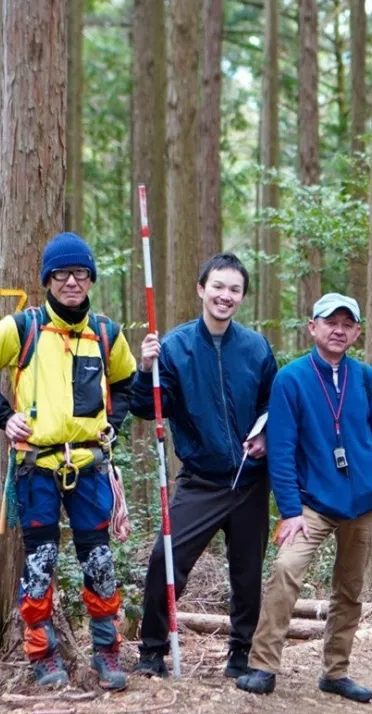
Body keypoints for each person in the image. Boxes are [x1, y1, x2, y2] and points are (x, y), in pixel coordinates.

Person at [0, 232, 137, 690]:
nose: (71, 282)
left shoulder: (106, 333)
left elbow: (127, 383)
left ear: (91, 279)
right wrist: (4, 418)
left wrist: (113, 424)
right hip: (35, 466)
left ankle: (107, 653)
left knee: (99, 560)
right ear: (47, 280)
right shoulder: (23, 328)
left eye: (79, 273)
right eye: (61, 274)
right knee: (40, 561)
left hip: (90, 465)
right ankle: (43, 656)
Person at [236, 293, 372, 703]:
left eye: (347, 324)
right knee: (286, 569)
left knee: (350, 588)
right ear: (313, 327)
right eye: (330, 322)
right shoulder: (291, 378)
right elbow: (282, 449)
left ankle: (336, 671)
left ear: (357, 332)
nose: (338, 330)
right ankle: (263, 666)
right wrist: (290, 511)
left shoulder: (365, 377)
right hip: (311, 503)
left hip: (363, 503)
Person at [130, 253, 277, 679]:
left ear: (242, 296)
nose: (225, 296)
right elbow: (148, 408)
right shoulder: (175, 347)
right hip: (201, 479)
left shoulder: (255, 347)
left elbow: (273, 403)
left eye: (234, 289)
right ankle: (152, 651)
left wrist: (266, 435)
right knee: (166, 559)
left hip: (250, 479)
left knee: (247, 573)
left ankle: (241, 653)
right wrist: (145, 369)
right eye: (218, 286)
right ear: (201, 289)